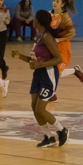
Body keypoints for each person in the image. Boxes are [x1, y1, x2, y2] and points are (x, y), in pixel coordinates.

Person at [11, 10, 69, 147]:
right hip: (38, 74)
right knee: (34, 106)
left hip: (48, 74)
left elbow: (58, 59)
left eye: (35, 18)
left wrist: (40, 65)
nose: (33, 20)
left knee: (40, 109)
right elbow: (34, 61)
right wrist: (20, 56)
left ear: (39, 21)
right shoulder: (39, 36)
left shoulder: (47, 37)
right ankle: (48, 136)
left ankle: (62, 130)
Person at [48, 0, 83, 103]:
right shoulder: (49, 14)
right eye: (53, 0)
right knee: (51, 72)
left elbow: (72, 33)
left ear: (62, 4)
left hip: (63, 49)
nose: (54, 3)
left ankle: (53, 95)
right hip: (52, 48)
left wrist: (59, 39)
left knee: (57, 72)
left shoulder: (65, 17)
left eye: (57, 1)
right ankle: (75, 70)